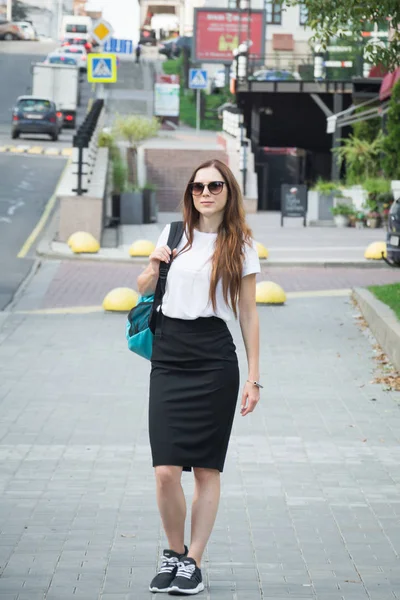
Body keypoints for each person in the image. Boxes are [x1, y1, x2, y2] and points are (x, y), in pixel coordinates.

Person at [137, 159, 261, 596]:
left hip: (214, 358)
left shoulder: (241, 243)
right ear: (190, 193)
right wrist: (152, 268)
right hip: (169, 355)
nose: (205, 192)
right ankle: (173, 552)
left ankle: (194, 563)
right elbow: (143, 289)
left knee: (207, 469)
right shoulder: (173, 234)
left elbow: (247, 311)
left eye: (215, 185)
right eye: (197, 186)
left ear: (229, 192)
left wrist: (254, 377)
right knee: (165, 470)